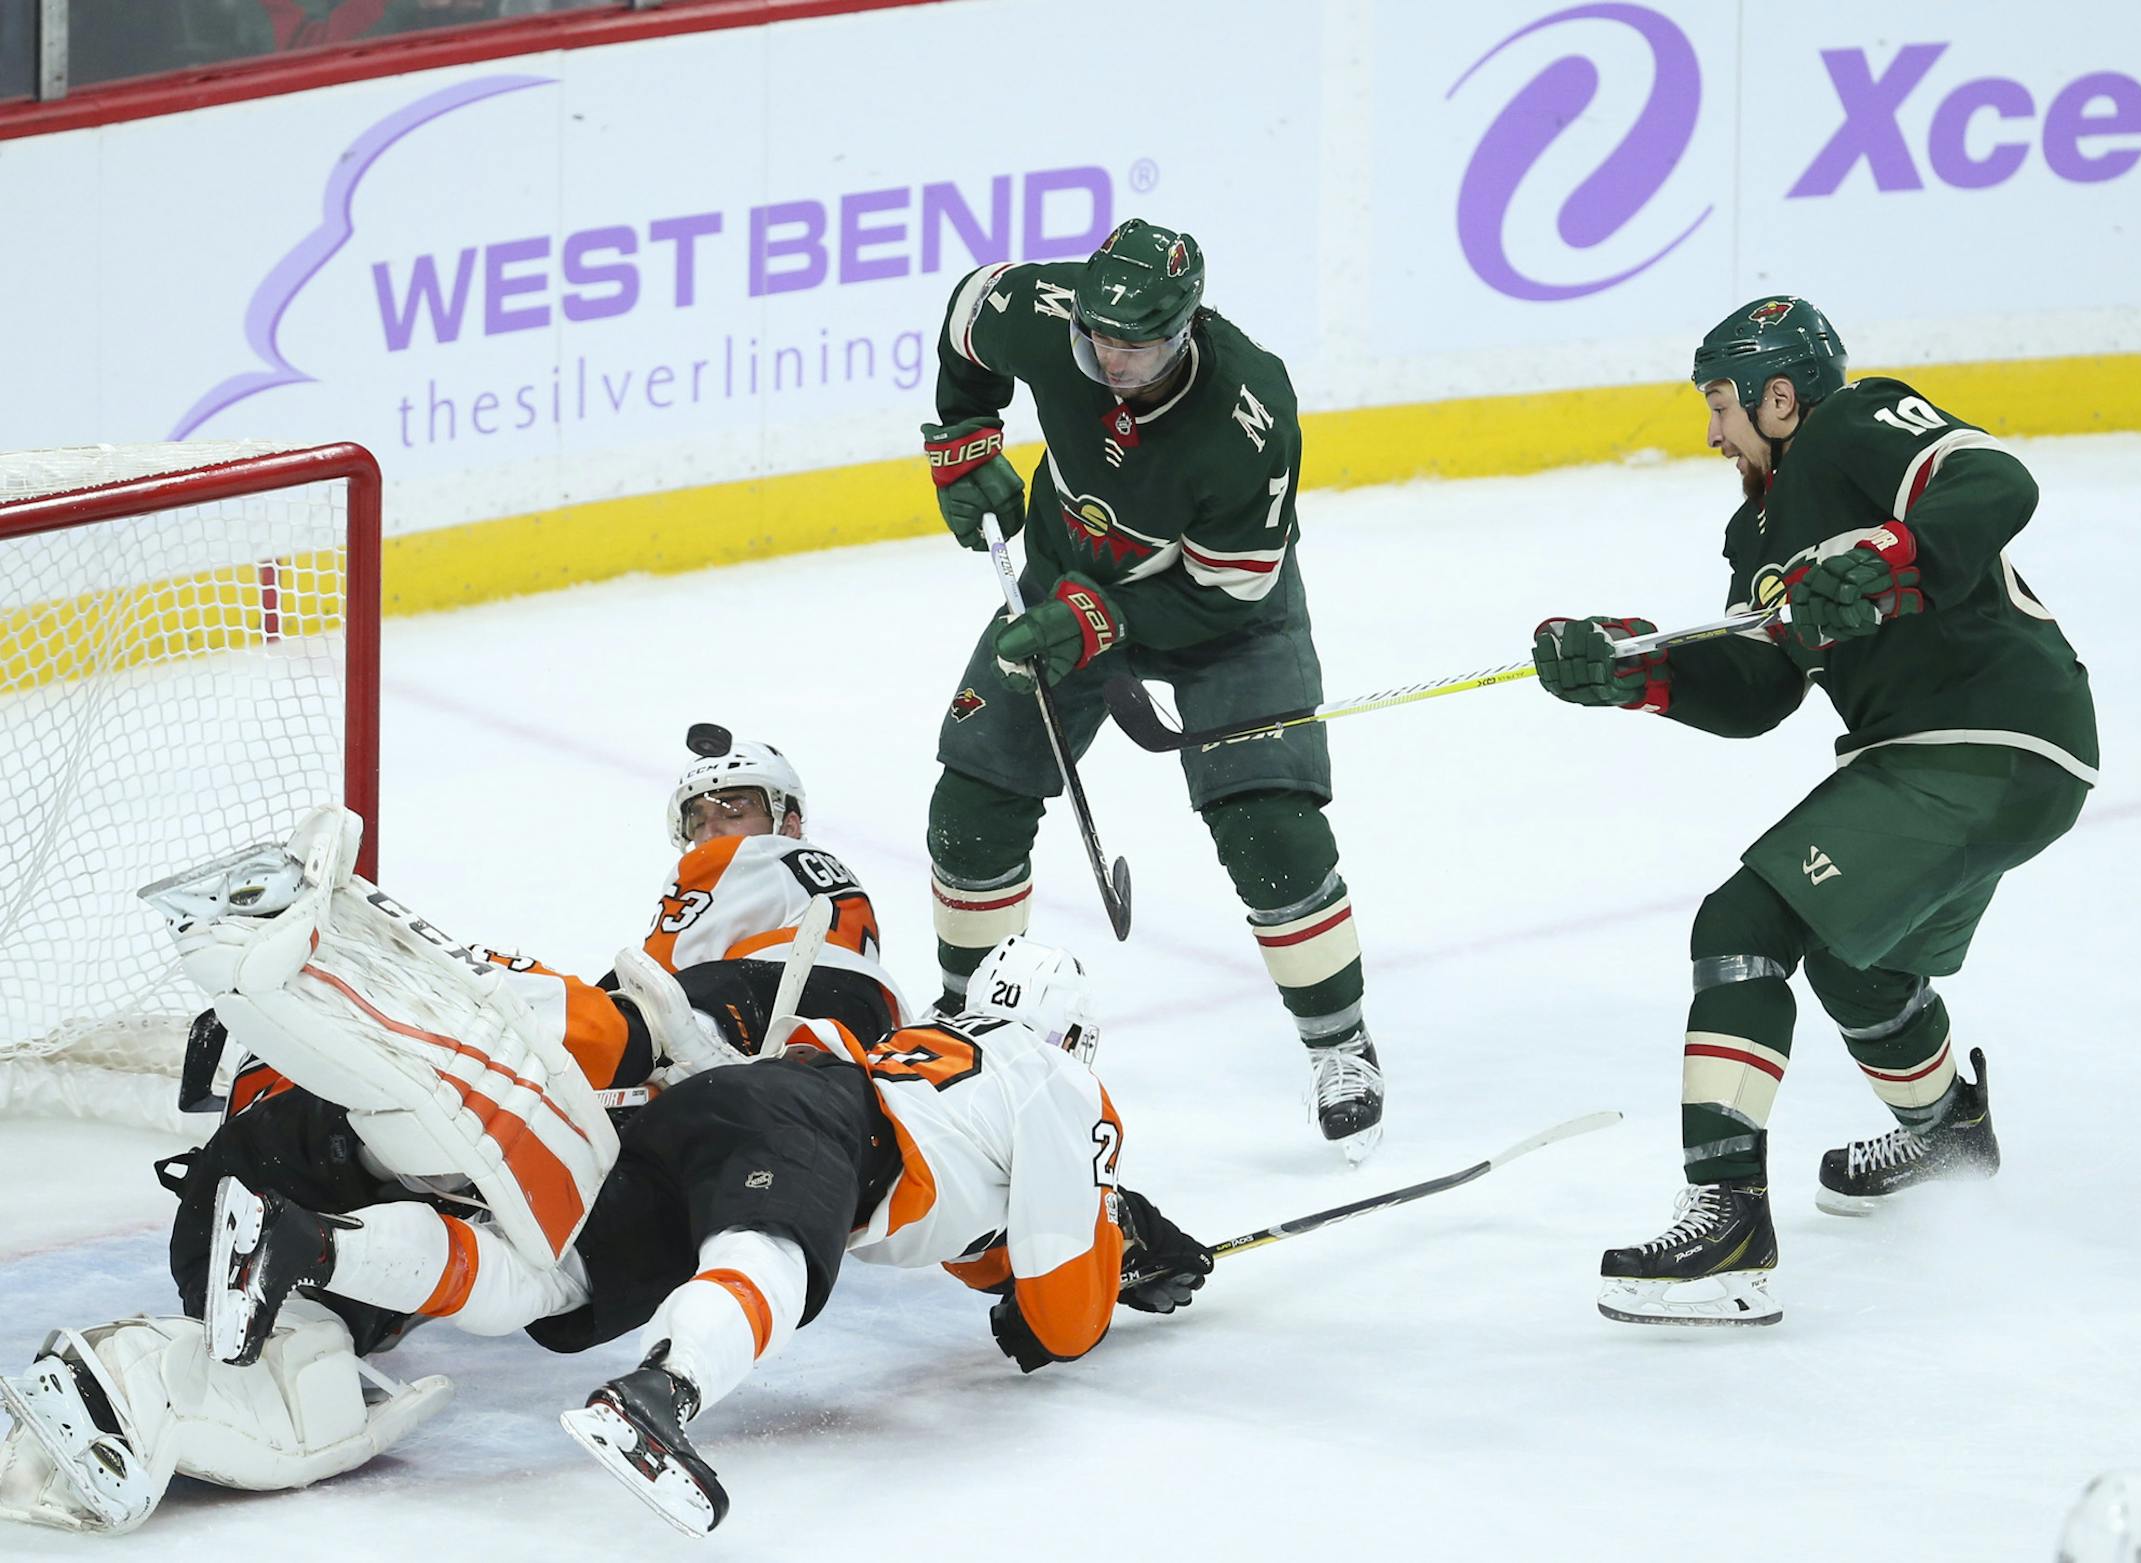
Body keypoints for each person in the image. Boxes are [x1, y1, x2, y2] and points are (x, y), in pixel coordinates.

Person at [200, 935, 1212, 1537]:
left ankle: (303, 1242)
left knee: (553, 1281)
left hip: (742, 1103)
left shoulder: (953, 1052)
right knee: (771, 1253)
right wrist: (1107, 1251)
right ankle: (658, 1398)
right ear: (1077, 1035)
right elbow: (1064, 1322)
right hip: (821, 1126)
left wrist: (1076, 1252)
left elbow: (958, 1231)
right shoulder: (1065, 1080)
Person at [1530, 297, 2097, 1326]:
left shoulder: (1855, 424)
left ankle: (1727, 1228)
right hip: (1977, 754)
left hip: (1985, 733)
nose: (1711, 432)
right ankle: (1944, 1135)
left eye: (1721, 405)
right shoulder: (1756, 528)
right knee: (1855, 960)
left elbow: (1994, 480)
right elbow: (1757, 691)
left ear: (1778, 397)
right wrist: (1635, 672)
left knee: (1741, 927)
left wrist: (1893, 557)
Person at [165, 728, 906, 1359]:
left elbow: (639, 1009)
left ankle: (337, 969)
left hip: (763, 1020)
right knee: (541, 1244)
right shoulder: (822, 926)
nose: (713, 832)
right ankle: (333, 1281)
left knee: (565, 1040)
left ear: (790, 817)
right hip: (775, 1082)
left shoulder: (770, 863)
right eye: (699, 818)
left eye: (734, 808)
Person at [920, 217, 1382, 1160]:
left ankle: (1342, 1043)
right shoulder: (1056, 316)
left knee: (1272, 830)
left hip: (1225, 619)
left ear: (1185, 328)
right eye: (1097, 335)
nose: (1109, 357)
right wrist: (966, 440)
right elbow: (968, 315)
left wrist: (1099, 621)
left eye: (1133, 344)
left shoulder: (1249, 413)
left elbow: (1228, 592)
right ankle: (965, 1021)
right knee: (973, 798)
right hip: (1066, 573)